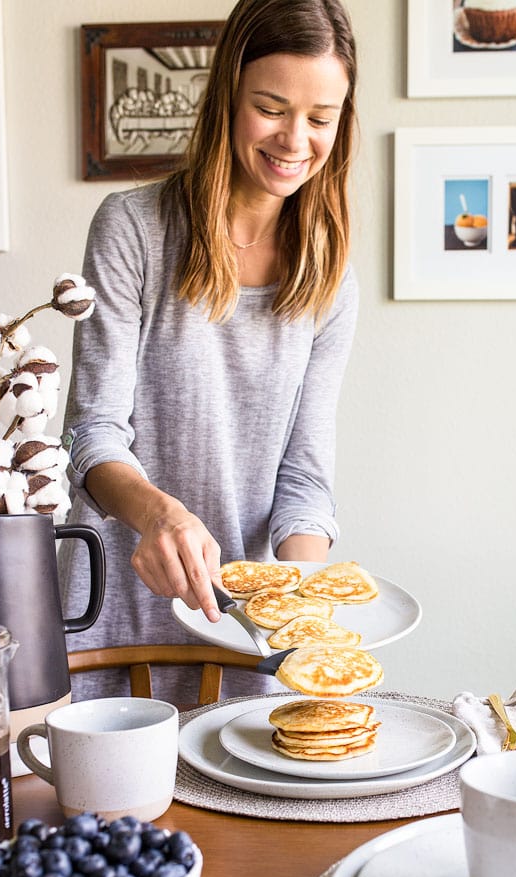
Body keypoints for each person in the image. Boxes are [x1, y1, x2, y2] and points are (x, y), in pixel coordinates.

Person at [58, 0, 360, 702]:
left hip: (238, 631)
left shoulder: (328, 272)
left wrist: (306, 607)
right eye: (270, 107)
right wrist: (160, 515)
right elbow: (90, 432)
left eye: (320, 118)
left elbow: (304, 482)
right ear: (227, 97)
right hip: (108, 618)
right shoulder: (133, 228)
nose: (294, 140)